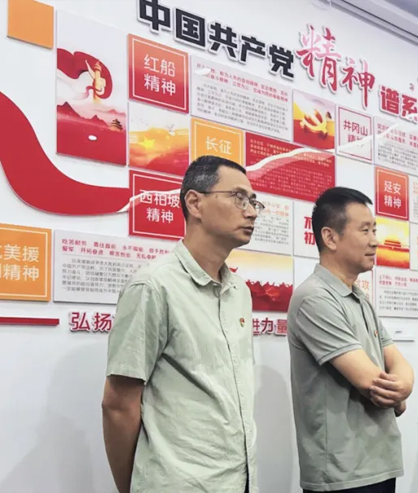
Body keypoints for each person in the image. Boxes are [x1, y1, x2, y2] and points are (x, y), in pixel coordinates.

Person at [101, 155, 264, 493]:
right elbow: (118, 404)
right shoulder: (153, 286)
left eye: (253, 202)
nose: (250, 212)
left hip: (237, 481)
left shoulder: (239, 291)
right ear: (194, 203)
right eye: (238, 198)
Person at [288, 187, 413, 493]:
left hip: (378, 461)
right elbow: (372, 383)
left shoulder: (359, 297)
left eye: (374, 230)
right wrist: (399, 392)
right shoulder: (314, 298)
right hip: (341, 473)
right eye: (364, 230)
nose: (375, 241)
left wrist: (403, 387)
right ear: (330, 237)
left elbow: (398, 363)